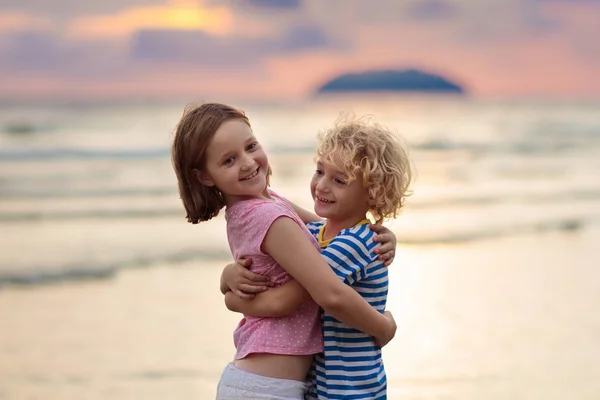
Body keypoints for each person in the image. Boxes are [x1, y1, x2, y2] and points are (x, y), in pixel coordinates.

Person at [171, 103, 398, 400]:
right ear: (204, 176)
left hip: (266, 383)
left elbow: (327, 230)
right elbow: (327, 292)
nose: (248, 162)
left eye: (250, 146)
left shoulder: (267, 204)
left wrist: (376, 234)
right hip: (268, 388)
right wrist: (384, 327)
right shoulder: (269, 217)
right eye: (228, 160)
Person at [223, 114, 412, 399]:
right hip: (323, 384)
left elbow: (314, 295)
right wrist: (228, 274)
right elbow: (274, 205)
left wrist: (230, 297)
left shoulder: (354, 243)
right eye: (320, 171)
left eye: (339, 180)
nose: (322, 185)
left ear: (372, 193)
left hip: (351, 386)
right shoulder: (318, 233)